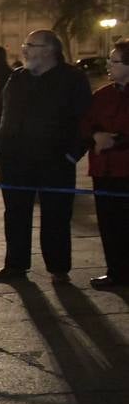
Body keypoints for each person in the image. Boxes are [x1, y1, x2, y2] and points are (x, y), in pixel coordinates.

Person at [0, 30, 92, 283]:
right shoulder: (17, 77)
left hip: (55, 161)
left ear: (49, 50)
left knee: (56, 214)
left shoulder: (72, 79)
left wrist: (72, 154)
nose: (24, 49)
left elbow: (85, 120)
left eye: (30, 45)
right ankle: (15, 265)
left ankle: (58, 268)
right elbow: (2, 112)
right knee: (15, 213)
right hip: (15, 161)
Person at [80, 39, 129, 290]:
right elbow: (85, 123)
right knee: (109, 223)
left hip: (125, 169)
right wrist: (96, 136)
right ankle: (115, 271)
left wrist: (116, 141)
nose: (109, 64)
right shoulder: (102, 94)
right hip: (103, 170)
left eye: (115, 60)